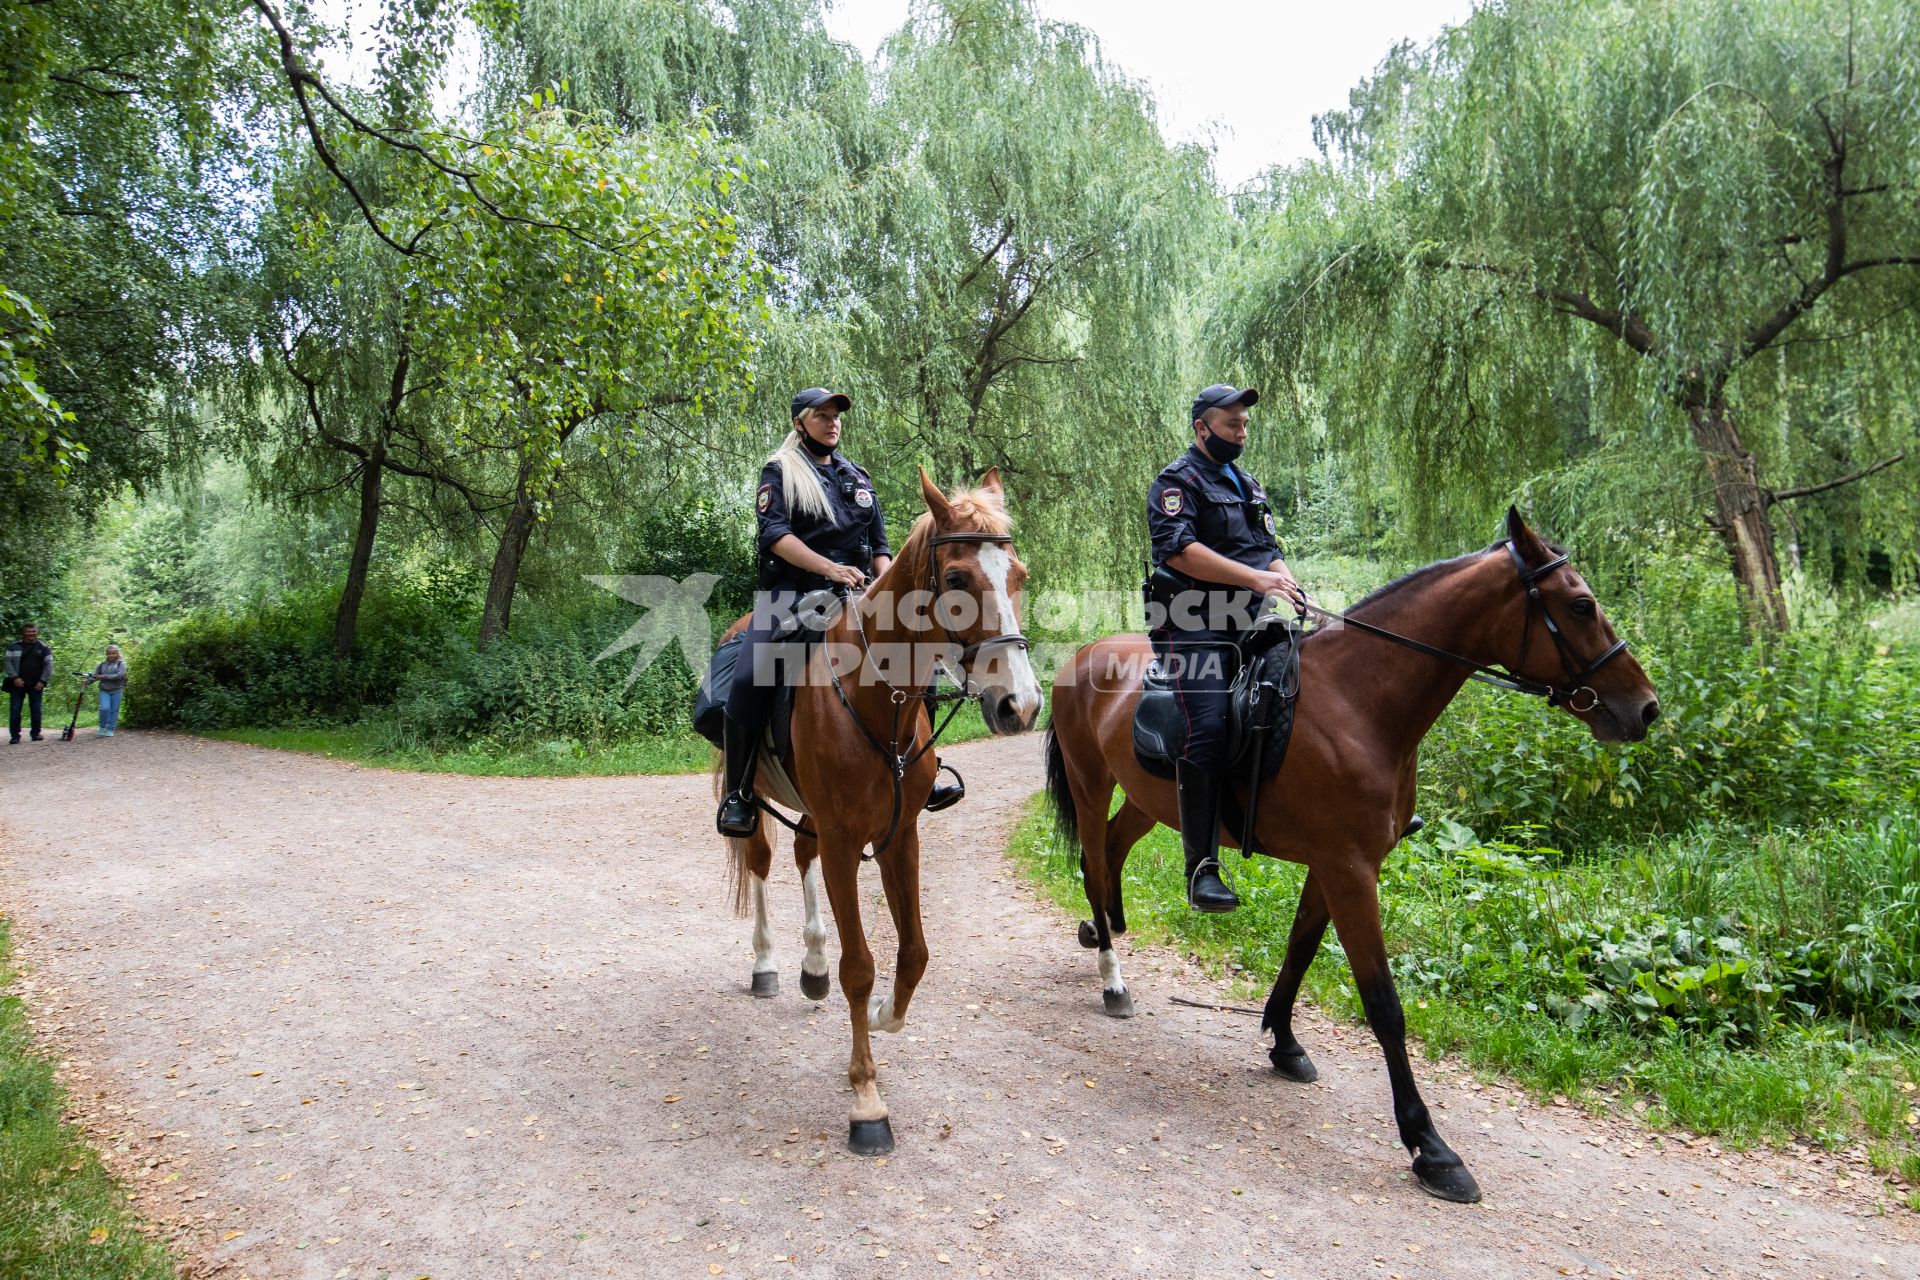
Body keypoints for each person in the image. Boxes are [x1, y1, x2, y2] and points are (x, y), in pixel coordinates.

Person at [716, 387, 962, 836]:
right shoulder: (781, 471)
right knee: (751, 674)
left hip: (859, 595)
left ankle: (926, 770)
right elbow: (775, 536)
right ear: (799, 423)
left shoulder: (857, 476)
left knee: (920, 657)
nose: (833, 423)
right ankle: (739, 792)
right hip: (792, 595)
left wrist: (891, 589)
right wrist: (830, 567)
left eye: (836, 416)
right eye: (822, 415)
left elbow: (882, 549)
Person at [1145, 385, 1303, 913]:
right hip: (1189, 623)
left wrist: (1287, 583)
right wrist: (1258, 580)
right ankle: (1202, 869)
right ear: (1202, 428)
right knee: (1208, 721)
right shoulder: (1175, 481)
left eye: (1244, 425)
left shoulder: (1249, 485)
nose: (1241, 433)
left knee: (1309, 683)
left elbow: (1268, 550)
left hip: (1250, 619)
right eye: (1231, 424)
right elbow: (1181, 551)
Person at [5, 622, 53, 744]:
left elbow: (49, 666)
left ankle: (36, 733)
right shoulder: (13, 647)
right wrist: (15, 677)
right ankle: (15, 736)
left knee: (36, 709)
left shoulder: (44, 648)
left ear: (37, 632)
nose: (31, 634)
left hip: (36, 684)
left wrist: (43, 681)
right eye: (28, 632)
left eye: (33, 631)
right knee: (15, 710)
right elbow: (8, 662)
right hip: (17, 684)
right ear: (24, 632)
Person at [85, 644, 128, 737]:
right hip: (104, 690)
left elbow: (119, 675)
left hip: (117, 690)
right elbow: (95, 676)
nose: (111, 655)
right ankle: (102, 727)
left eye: (114, 653)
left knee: (114, 710)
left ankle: (110, 729)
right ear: (106, 654)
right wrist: (87, 682)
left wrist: (103, 676)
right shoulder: (101, 665)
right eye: (109, 653)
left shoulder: (121, 664)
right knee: (104, 708)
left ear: (117, 654)